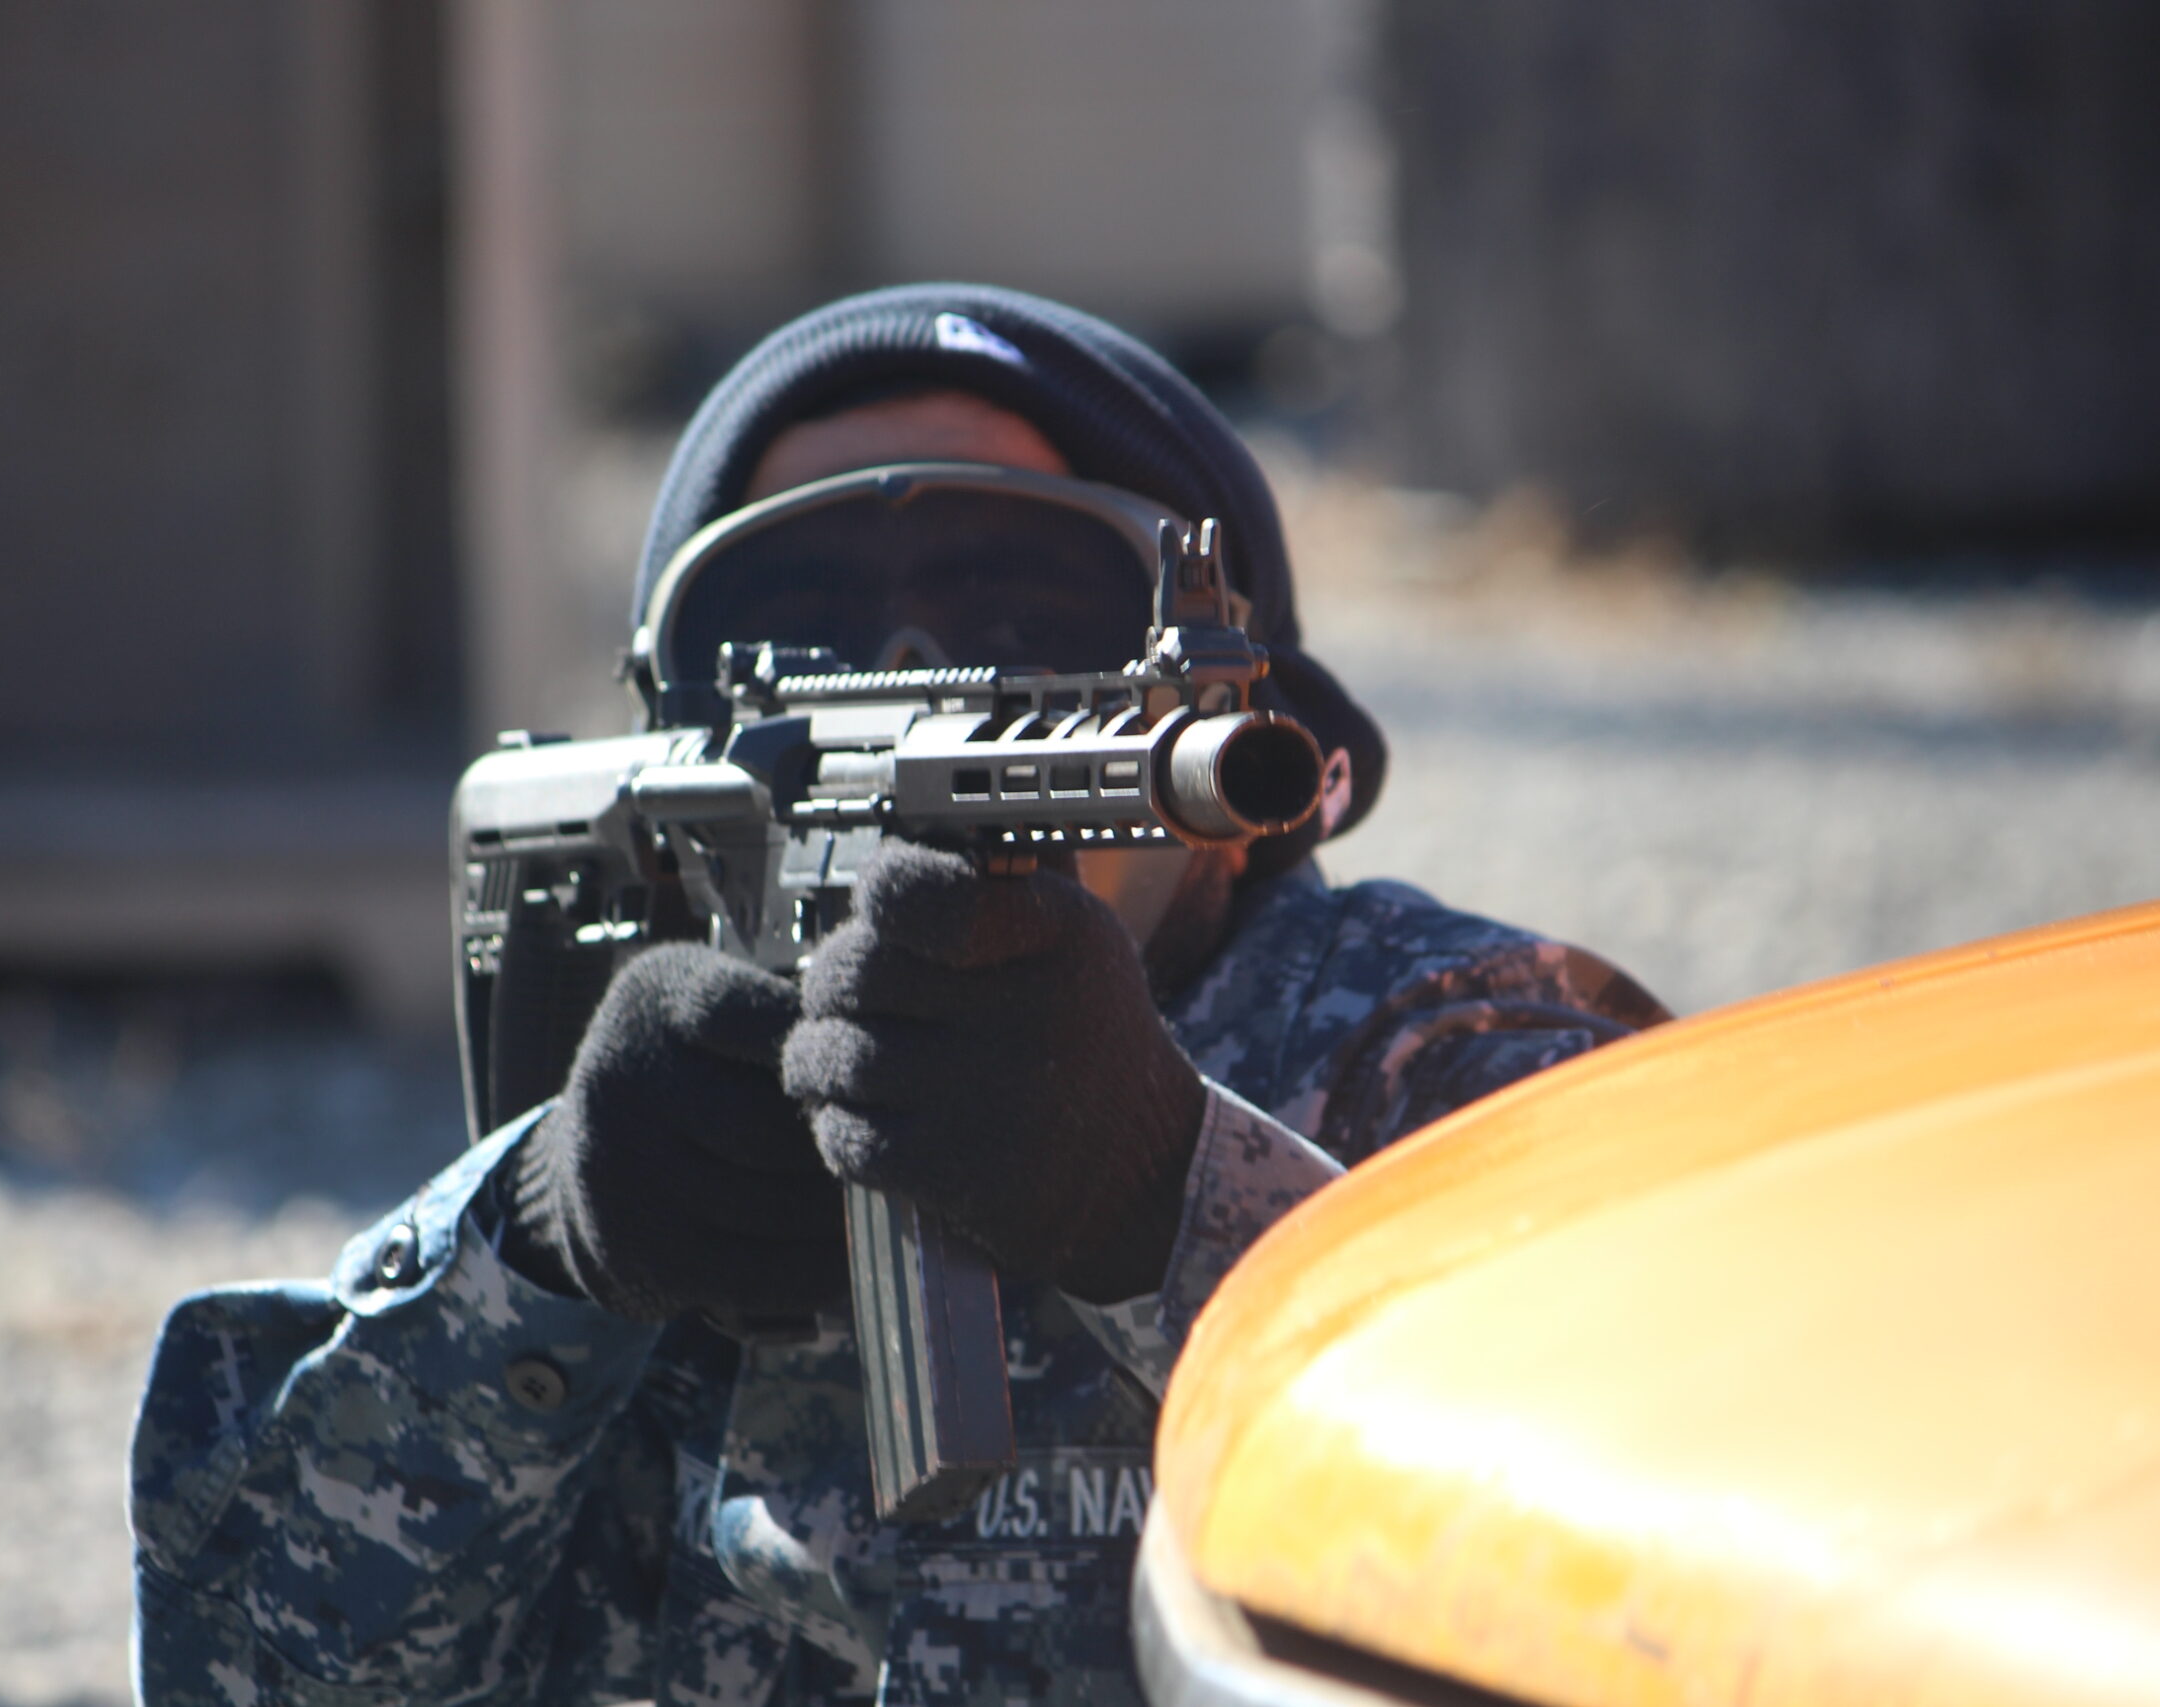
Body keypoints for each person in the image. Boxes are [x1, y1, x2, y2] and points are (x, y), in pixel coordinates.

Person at [127, 285, 1667, 1707]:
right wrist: (533, 1256)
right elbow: (253, 1670)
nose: (916, 669)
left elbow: (1684, 1546)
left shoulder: (1463, 1047)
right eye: (793, 611)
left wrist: (1175, 1202)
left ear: (1254, 730)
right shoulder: (671, 1143)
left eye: (1029, 602)